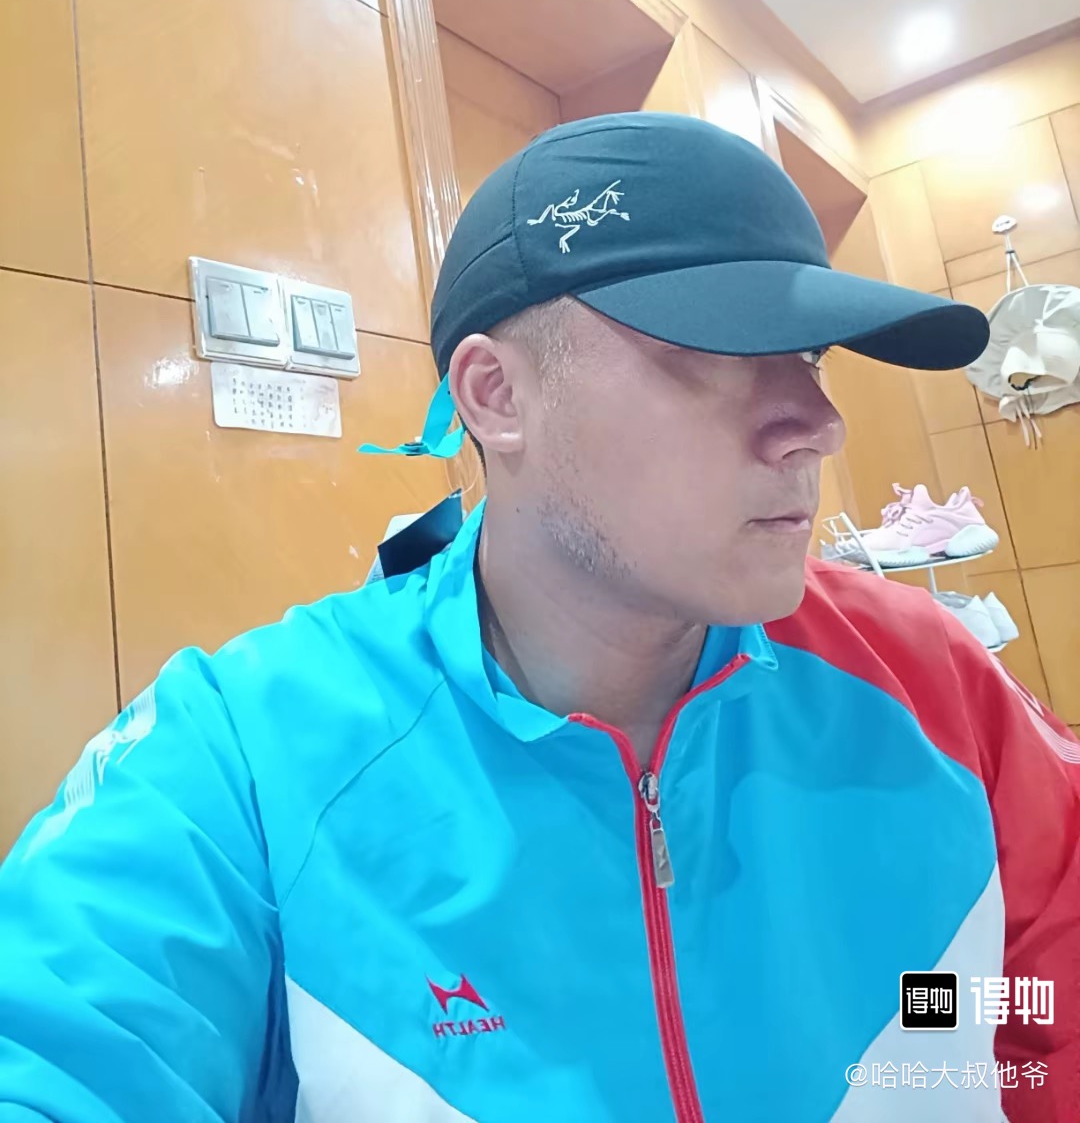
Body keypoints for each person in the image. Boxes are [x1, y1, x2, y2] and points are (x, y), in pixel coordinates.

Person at [0, 113, 1076, 1123]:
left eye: (810, 356)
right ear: (496, 396)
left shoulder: (926, 676)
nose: (818, 424)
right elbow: (60, 1049)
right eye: (718, 351)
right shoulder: (247, 751)